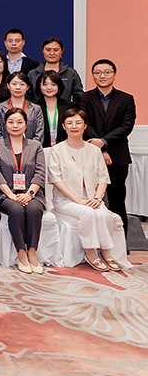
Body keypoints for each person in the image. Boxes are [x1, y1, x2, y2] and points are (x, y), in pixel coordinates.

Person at [47, 108, 128, 271]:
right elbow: (56, 180)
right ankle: (90, 252)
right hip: (66, 200)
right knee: (88, 213)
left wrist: (97, 198)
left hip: (92, 198)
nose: (74, 126)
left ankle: (106, 252)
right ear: (63, 126)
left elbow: (103, 178)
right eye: (70, 123)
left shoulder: (94, 150)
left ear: (85, 126)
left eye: (78, 123)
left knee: (105, 214)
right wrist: (78, 200)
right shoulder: (57, 150)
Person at [77, 59, 136, 237]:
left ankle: (120, 242)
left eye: (107, 72)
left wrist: (103, 141)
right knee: (91, 199)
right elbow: (83, 124)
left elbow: (126, 126)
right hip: (89, 156)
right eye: (98, 72)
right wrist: (100, 151)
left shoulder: (126, 99)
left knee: (117, 200)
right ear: (93, 76)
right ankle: (94, 240)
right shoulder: (84, 98)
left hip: (118, 156)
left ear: (114, 75)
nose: (102, 76)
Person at [0, 107, 47, 274]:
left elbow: (40, 173)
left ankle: (32, 252)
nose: (15, 126)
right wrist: (11, 195)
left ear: (26, 125)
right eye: (11, 122)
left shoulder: (35, 146)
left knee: (34, 209)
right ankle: (21, 253)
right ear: (5, 125)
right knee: (16, 209)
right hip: (4, 194)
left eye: (20, 122)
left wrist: (29, 194)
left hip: (32, 193)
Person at [27, 37, 84, 104]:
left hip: (65, 110)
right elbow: (27, 97)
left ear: (61, 51)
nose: (52, 53)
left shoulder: (71, 73)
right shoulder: (33, 74)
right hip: (39, 110)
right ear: (43, 51)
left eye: (56, 50)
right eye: (48, 50)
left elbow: (79, 96)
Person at [0, 72, 44, 141]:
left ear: (27, 87)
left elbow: (39, 133)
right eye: (14, 84)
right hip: (5, 146)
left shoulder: (36, 109)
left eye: (22, 84)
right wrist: (5, 146)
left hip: (31, 146)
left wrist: (31, 147)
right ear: (8, 86)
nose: (18, 87)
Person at [36, 70, 73, 148]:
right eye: (45, 84)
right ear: (39, 86)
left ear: (59, 86)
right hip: (41, 148)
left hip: (64, 148)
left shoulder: (68, 106)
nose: (49, 88)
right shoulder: (34, 107)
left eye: (53, 84)